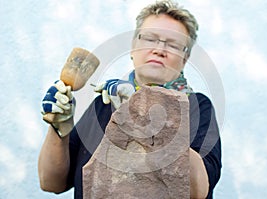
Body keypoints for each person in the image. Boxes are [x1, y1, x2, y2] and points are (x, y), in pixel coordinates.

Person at [38, 0, 221, 198]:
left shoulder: (197, 107)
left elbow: (197, 190)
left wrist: (139, 115)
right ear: (133, 47)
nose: (160, 49)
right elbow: (51, 183)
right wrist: (59, 130)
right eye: (150, 39)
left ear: (185, 59)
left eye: (174, 45)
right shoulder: (105, 103)